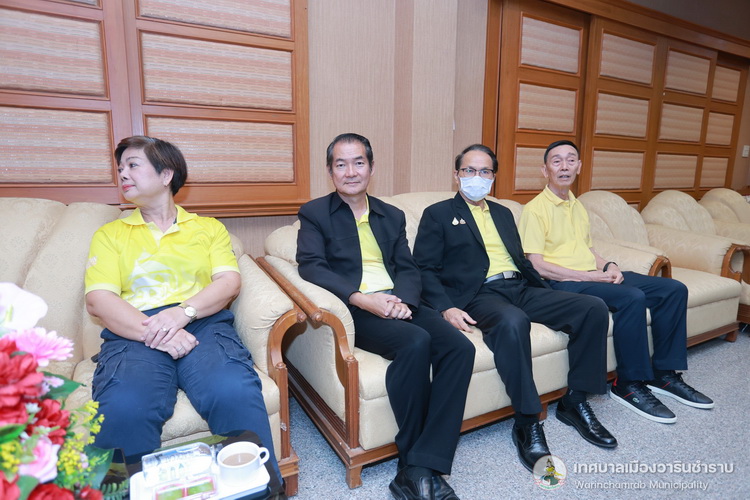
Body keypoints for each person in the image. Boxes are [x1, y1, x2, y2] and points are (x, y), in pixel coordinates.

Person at [84, 136, 281, 481]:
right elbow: (99, 299)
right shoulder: (110, 234)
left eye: (133, 165)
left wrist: (182, 313)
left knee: (233, 391)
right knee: (124, 407)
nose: (123, 174)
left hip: (202, 323)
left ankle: (257, 488)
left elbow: (228, 282)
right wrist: (159, 332)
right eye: (120, 168)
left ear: (166, 175)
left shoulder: (208, 228)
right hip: (134, 329)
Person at [413, 144, 615, 474]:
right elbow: (424, 268)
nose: (477, 177)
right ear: (456, 175)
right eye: (469, 170)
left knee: (592, 307)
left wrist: (547, 289)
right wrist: (445, 307)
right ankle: (527, 421)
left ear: (493, 177)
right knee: (513, 321)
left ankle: (575, 401)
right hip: (479, 293)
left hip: (520, 286)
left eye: (485, 171)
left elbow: (522, 260)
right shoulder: (438, 213)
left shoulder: (504, 213)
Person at [296, 133, 475, 500]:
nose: (350, 172)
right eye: (341, 164)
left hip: (399, 302)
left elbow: (407, 267)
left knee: (460, 348)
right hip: (357, 309)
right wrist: (363, 299)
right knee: (416, 341)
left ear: (371, 167)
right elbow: (311, 266)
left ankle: (419, 466)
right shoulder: (314, 213)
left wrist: (403, 301)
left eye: (358, 163)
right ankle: (414, 464)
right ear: (330, 171)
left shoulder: (391, 215)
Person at [518, 139, 713, 425]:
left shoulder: (577, 205)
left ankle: (664, 374)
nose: (564, 166)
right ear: (545, 170)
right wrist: (590, 276)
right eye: (556, 161)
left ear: (579, 167)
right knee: (631, 296)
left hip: (589, 274)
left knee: (672, 289)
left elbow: (587, 250)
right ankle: (628, 384)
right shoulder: (535, 210)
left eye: (570, 160)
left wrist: (608, 265)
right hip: (562, 283)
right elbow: (536, 265)